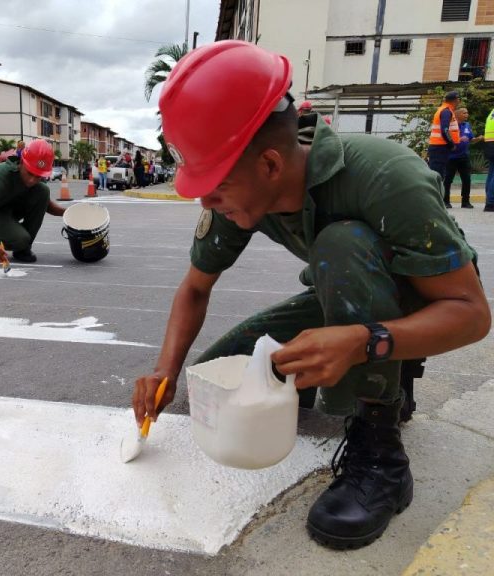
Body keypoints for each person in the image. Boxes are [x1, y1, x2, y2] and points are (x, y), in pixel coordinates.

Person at [132, 40, 490, 551]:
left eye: (213, 185)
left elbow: (472, 315)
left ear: (271, 166)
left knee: (341, 244)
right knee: (224, 378)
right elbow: (195, 287)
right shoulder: (246, 191)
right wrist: (165, 371)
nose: (205, 199)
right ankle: (389, 374)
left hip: (424, 303)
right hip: (345, 300)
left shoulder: (385, 175)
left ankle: (381, 455)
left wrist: (364, 343)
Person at [0, 139, 66, 264]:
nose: (32, 180)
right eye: (29, 173)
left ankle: (23, 250)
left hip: (6, 206)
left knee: (43, 191)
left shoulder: (35, 179)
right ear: (22, 162)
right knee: (21, 239)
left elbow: (46, 205)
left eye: (38, 176)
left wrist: (69, 213)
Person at [443, 107, 481, 209]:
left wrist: (477, 139)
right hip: (451, 157)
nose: (467, 115)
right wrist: (458, 139)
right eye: (464, 113)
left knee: (467, 179)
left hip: (464, 157)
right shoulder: (451, 126)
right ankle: (446, 201)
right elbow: (446, 139)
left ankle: (465, 202)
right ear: (458, 115)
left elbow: (470, 139)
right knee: (448, 180)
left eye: (467, 113)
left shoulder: (467, 125)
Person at [427, 91, 461, 189]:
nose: (459, 101)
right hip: (440, 147)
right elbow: (445, 130)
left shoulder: (446, 110)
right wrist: (451, 144)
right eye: (458, 99)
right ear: (455, 100)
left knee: (438, 174)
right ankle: (434, 199)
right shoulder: (446, 111)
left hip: (439, 147)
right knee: (437, 175)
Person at [483, 107, 494, 212]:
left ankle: (489, 200)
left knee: (491, 173)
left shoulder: (492, 112)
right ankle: (491, 202)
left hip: (489, 144)